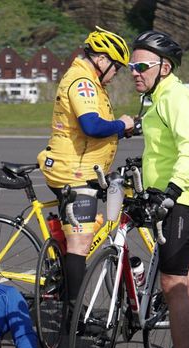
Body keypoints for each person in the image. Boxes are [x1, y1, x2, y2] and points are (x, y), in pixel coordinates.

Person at [128, 30, 189, 348]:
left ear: (164, 67)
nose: (134, 71)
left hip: (181, 200)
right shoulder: (158, 97)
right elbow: (162, 148)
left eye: (142, 66)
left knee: (172, 282)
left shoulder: (175, 97)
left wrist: (172, 191)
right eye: (131, 66)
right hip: (175, 197)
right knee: (187, 280)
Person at [37, 27, 134, 307]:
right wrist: (121, 125)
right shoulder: (83, 81)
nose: (116, 73)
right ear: (102, 60)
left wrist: (123, 130)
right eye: (116, 66)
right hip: (74, 173)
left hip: (80, 169)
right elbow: (91, 125)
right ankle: (73, 314)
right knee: (81, 244)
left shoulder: (89, 79)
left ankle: (61, 283)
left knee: (75, 239)